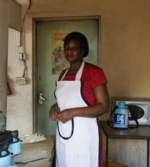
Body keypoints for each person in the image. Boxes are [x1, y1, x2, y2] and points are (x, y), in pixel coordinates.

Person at [49, 32, 109, 167]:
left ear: (83, 51)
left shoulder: (94, 72)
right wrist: (54, 108)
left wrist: (72, 113)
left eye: (74, 47)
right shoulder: (63, 74)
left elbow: (104, 106)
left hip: (85, 135)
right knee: (64, 161)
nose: (69, 51)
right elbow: (63, 102)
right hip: (63, 131)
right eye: (67, 48)